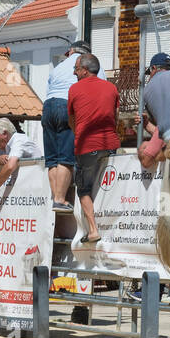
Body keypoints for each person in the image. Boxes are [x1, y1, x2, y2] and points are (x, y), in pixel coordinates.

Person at [68, 53, 119, 244]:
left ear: (85, 70)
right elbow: (115, 116)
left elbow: (71, 120)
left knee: (84, 189)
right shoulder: (112, 88)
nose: (74, 73)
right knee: (110, 187)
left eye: (76, 69)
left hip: (87, 146)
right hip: (110, 144)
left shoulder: (74, 89)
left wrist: (80, 133)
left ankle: (93, 230)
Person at [42, 41, 98, 212]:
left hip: (48, 106)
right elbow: (98, 87)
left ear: (71, 51)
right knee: (66, 155)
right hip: (67, 104)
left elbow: (49, 87)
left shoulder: (58, 67)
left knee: (52, 159)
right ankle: (60, 198)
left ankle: (57, 199)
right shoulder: (89, 64)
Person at [0, 117, 42, 201]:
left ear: (4, 133)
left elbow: (10, 166)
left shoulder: (19, 140)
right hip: (23, 192)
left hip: (35, 191)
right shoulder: (1, 145)